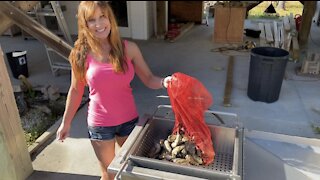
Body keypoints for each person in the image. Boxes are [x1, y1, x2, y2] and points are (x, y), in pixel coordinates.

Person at [56, 1, 171, 180]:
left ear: (110, 18)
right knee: (109, 175)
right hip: (100, 125)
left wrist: (166, 82)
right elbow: (75, 90)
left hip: (129, 121)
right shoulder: (79, 54)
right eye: (92, 20)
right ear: (84, 25)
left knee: (131, 171)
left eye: (103, 16)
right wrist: (66, 122)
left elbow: (149, 79)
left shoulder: (129, 48)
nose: (99, 24)